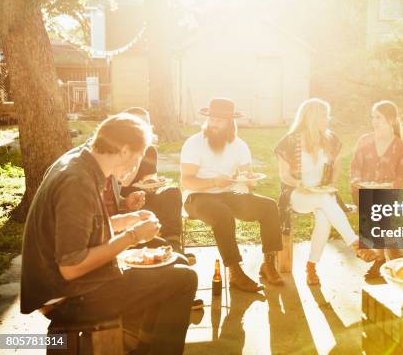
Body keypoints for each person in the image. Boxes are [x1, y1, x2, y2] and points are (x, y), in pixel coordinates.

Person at [20, 114, 197, 355]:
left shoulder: (79, 163)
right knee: (184, 279)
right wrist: (133, 236)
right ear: (125, 151)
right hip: (65, 298)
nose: (136, 165)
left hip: (63, 285)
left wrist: (126, 220)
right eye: (137, 157)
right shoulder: (77, 182)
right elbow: (71, 266)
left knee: (175, 261)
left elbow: (82, 229)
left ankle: (139, 342)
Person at [181, 98, 283, 292]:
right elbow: (187, 180)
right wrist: (212, 182)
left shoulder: (240, 145)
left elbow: (246, 175)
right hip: (197, 196)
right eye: (211, 118)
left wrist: (249, 180)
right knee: (222, 213)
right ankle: (235, 271)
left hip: (229, 192)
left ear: (230, 122)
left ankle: (268, 264)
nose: (214, 123)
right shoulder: (194, 143)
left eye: (219, 120)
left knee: (269, 206)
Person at [275, 98, 376, 286]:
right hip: (297, 195)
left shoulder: (330, 139)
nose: (327, 119)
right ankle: (355, 242)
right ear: (311, 117)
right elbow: (284, 176)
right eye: (323, 115)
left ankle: (311, 266)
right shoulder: (288, 142)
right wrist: (299, 184)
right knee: (323, 200)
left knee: (324, 217)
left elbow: (336, 167)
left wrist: (331, 184)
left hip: (322, 194)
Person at [350, 100, 403, 280]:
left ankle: (380, 259)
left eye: (379, 117)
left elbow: (399, 178)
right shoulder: (364, 140)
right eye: (373, 117)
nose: (374, 121)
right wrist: (357, 181)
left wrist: (388, 186)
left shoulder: (401, 147)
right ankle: (391, 251)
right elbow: (354, 168)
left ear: (391, 120)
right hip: (363, 192)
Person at [119, 107, 187, 257]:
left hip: (146, 196)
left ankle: (174, 245)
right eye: (137, 123)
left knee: (172, 192)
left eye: (146, 123)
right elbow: (122, 183)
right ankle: (155, 247)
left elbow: (149, 177)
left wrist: (154, 182)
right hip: (126, 201)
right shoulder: (119, 149)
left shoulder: (150, 150)